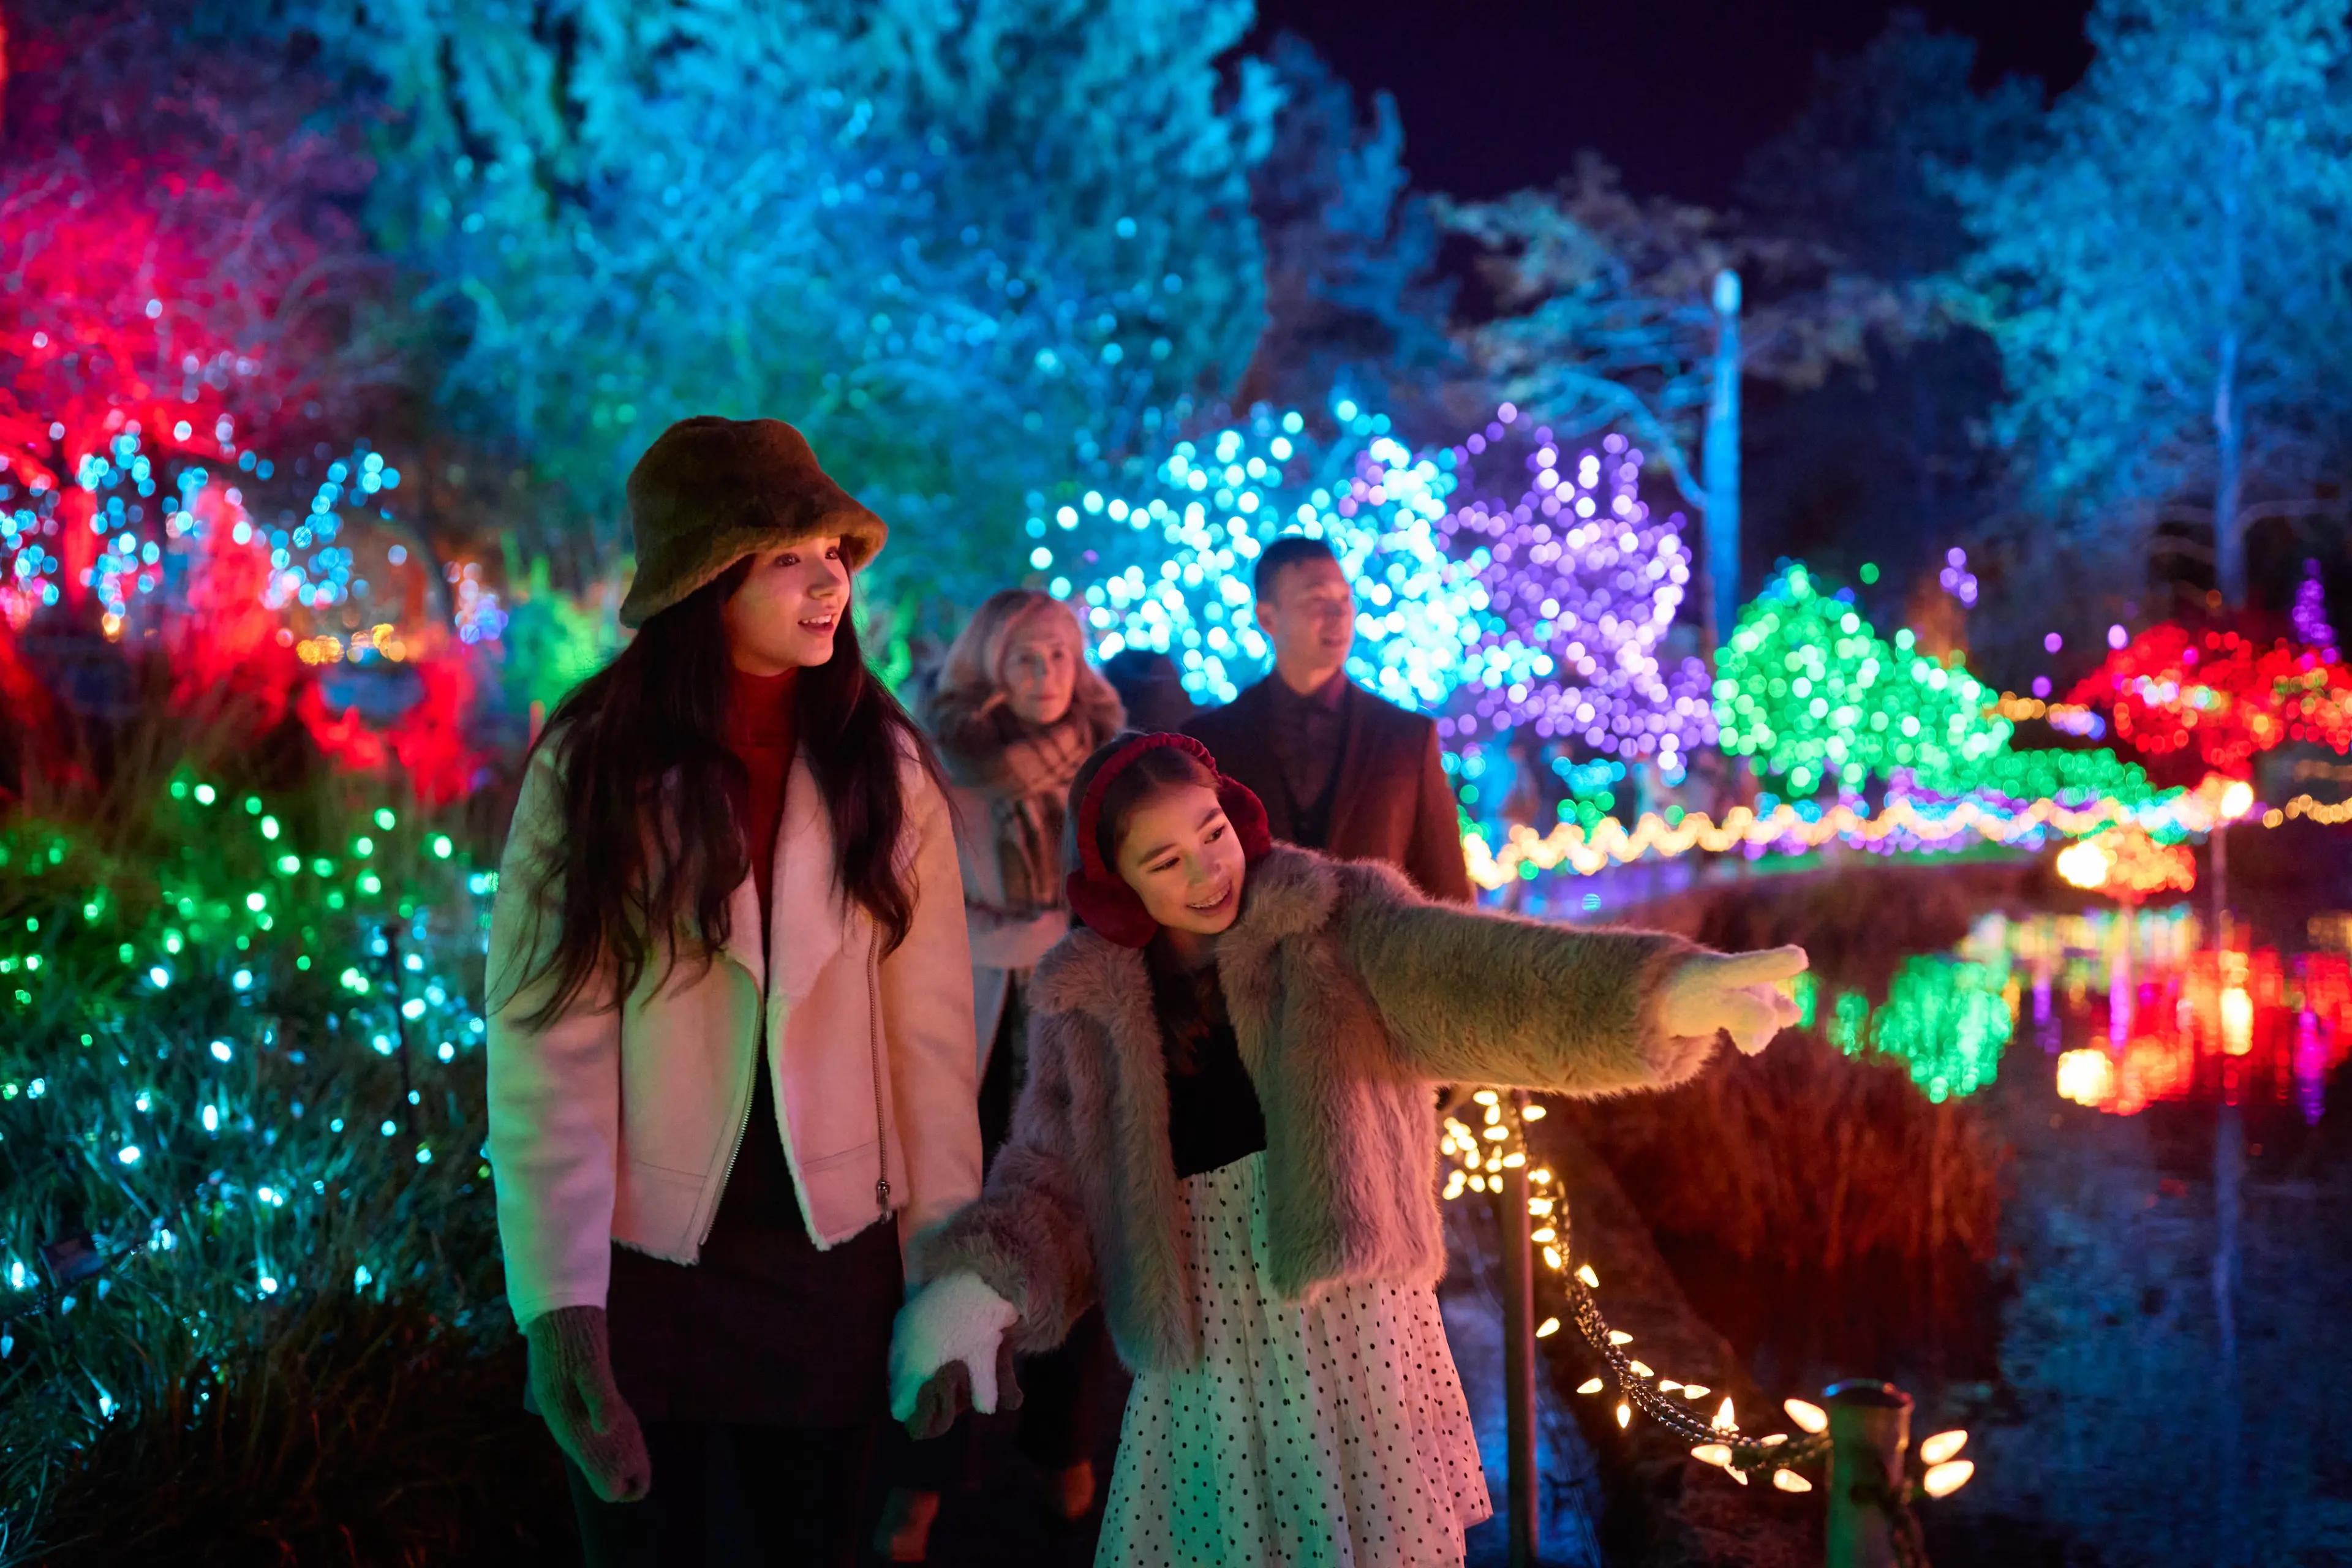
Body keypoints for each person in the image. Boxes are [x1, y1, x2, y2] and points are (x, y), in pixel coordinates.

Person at [888, 731, 1807, 1567]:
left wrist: (1659, 994)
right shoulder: (1084, 1004)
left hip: (1355, 1323)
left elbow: (1477, 976)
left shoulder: (1332, 921)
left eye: (1213, 832)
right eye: (1166, 861)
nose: (1210, 871)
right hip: (1208, 1349)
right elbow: (1055, 1179)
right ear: (1117, 883)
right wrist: (984, 1281)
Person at [485, 416, 981, 1567]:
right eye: (790, 560)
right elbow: (544, 1043)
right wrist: (562, 1315)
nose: (830, 585)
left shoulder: (882, 765)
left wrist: (947, 1281)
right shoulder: (597, 761)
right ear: (708, 581)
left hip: (833, 1277)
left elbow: (933, 1050)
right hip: (644, 1277)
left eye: (837, 557)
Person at [875, 590, 1124, 1557]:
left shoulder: (1110, 759)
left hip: (1073, 1008)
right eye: (1026, 656)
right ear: (989, 663)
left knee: (1076, 1222)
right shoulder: (938, 762)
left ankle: (1062, 1444)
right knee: (953, 1234)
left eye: (1061, 654)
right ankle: (925, 1471)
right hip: (966, 1013)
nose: (1046, 674)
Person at [1186, 535, 1471, 903]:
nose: (1338, 616)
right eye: (1317, 600)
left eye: (1344, 600)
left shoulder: (1407, 737)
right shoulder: (1210, 741)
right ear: (1267, 618)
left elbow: (1449, 897)